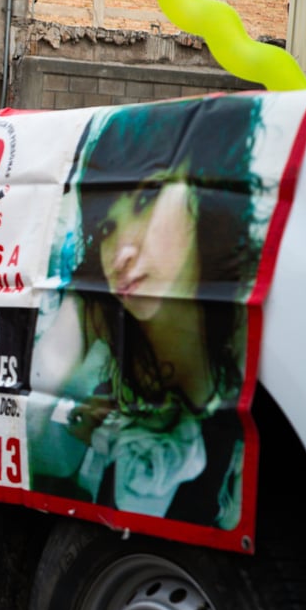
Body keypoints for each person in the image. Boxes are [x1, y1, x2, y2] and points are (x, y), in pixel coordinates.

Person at [28, 96, 264, 530]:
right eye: (105, 228)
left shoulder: (258, 333)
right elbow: (34, 422)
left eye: (143, 201)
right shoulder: (100, 335)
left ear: (207, 190)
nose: (121, 253)